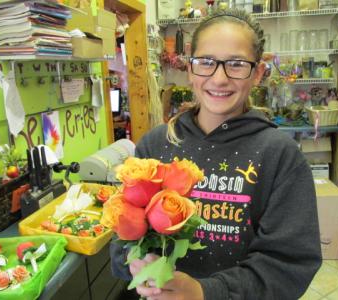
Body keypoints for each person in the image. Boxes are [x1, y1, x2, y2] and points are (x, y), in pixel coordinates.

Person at [110, 8, 321, 300]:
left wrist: (203, 292)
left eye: (236, 64)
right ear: (190, 67)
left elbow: (288, 265)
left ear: (257, 73)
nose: (219, 79)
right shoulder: (155, 147)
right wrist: (132, 263)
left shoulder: (279, 156)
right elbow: (122, 234)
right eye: (206, 62)